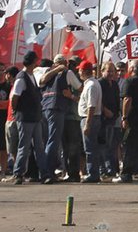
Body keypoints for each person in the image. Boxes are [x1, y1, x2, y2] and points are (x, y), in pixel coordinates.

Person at [38, 55, 80, 185]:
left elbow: (42, 81)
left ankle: (46, 171)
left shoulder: (47, 73)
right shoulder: (67, 73)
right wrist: (72, 96)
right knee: (53, 142)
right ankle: (48, 173)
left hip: (45, 109)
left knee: (47, 142)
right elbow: (79, 87)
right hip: (57, 108)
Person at [9, 51, 45, 184]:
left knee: (39, 147)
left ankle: (44, 173)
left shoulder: (31, 76)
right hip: (25, 118)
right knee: (24, 146)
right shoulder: (21, 78)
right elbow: (15, 97)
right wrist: (16, 111)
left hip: (35, 117)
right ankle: (18, 173)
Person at [77, 61, 102, 183]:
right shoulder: (90, 84)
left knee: (90, 148)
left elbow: (91, 106)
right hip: (90, 118)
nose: (78, 73)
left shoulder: (91, 85)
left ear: (84, 71)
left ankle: (92, 173)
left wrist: (87, 123)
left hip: (89, 118)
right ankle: (93, 172)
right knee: (90, 147)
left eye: (80, 70)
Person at [98, 62, 121, 178]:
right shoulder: (99, 83)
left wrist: (117, 113)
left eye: (113, 71)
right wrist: (105, 110)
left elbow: (117, 100)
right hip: (102, 119)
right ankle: (104, 169)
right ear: (102, 71)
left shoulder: (115, 84)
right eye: (108, 71)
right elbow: (97, 100)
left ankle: (110, 169)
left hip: (113, 119)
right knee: (103, 146)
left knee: (112, 145)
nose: (111, 73)